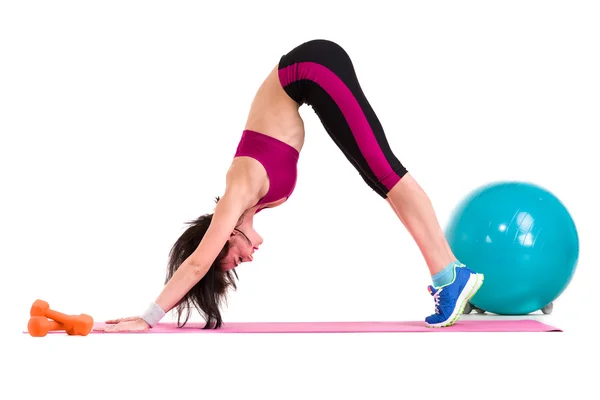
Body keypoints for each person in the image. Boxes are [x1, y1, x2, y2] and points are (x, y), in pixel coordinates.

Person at [104, 39, 484, 332]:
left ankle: (450, 276)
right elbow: (204, 260)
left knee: (385, 173)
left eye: (235, 258)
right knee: (379, 178)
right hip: (309, 76)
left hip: (310, 68)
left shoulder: (238, 191)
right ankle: (450, 275)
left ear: (226, 234)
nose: (247, 259)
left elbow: (197, 263)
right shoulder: (256, 201)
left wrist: (148, 317)